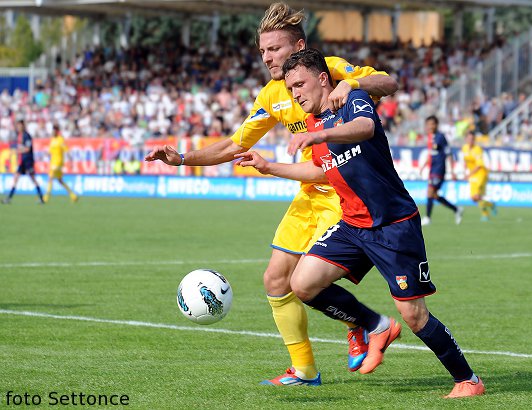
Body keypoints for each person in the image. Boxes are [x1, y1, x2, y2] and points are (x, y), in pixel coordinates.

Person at [144, 2, 399, 386]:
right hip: (308, 192)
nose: (266, 57)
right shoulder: (271, 96)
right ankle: (305, 369)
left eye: (274, 49)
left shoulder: (330, 69)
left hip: (346, 192)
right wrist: (182, 158)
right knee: (275, 281)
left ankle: (365, 324)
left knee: (314, 277)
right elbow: (234, 146)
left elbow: (388, 82)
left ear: (298, 47)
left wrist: (353, 83)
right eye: (262, 51)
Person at [236, 48, 485, 399]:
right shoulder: (312, 122)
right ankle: (371, 325)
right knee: (302, 283)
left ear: (323, 79)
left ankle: (468, 380)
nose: (295, 94)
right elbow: (321, 170)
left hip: (392, 225)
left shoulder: (352, 99)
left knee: (413, 315)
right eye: (291, 89)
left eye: (300, 85)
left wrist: (320, 136)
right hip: (353, 226)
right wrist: (269, 166)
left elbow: (365, 129)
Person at [420, 115, 463, 226]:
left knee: (430, 192)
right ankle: (456, 209)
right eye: (428, 124)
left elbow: (449, 154)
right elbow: (431, 153)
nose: (430, 126)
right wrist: (424, 165)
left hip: (439, 169)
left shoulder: (440, 137)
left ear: (436, 125)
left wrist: (452, 171)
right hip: (432, 169)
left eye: (432, 124)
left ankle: (428, 218)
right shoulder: (431, 137)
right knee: (433, 195)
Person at [2, 120, 44, 205]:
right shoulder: (19, 136)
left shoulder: (27, 136)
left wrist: (16, 151)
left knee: (33, 179)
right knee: (16, 178)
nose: (18, 127)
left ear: (23, 126)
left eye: (20, 125)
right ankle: (9, 198)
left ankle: (41, 198)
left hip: (28, 160)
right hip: (22, 161)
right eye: (17, 126)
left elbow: (27, 149)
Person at [462, 131, 496, 221]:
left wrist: (468, 175)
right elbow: (466, 160)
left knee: (477, 195)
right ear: (466, 139)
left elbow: (479, 165)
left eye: (472, 139)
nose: (471, 140)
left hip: (480, 173)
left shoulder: (477, 149)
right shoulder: (464, 148)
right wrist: (465, 169)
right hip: (472, 174)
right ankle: (491, 204)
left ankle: (485, 215)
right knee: (474, 198)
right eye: (469, 139)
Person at [44, 125, 78, 203]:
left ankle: (46, 197)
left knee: (50, 177)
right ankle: (73, 195)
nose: (53, 132)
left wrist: (71, 161)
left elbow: (66, 150)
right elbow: (50, 151)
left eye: (54, 130)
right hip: (53, 162)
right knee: (60, 180)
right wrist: (45, 155)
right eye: (52, 130)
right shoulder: (52, 140)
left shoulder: (60, 140)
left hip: (58, 162)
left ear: (57, 131)